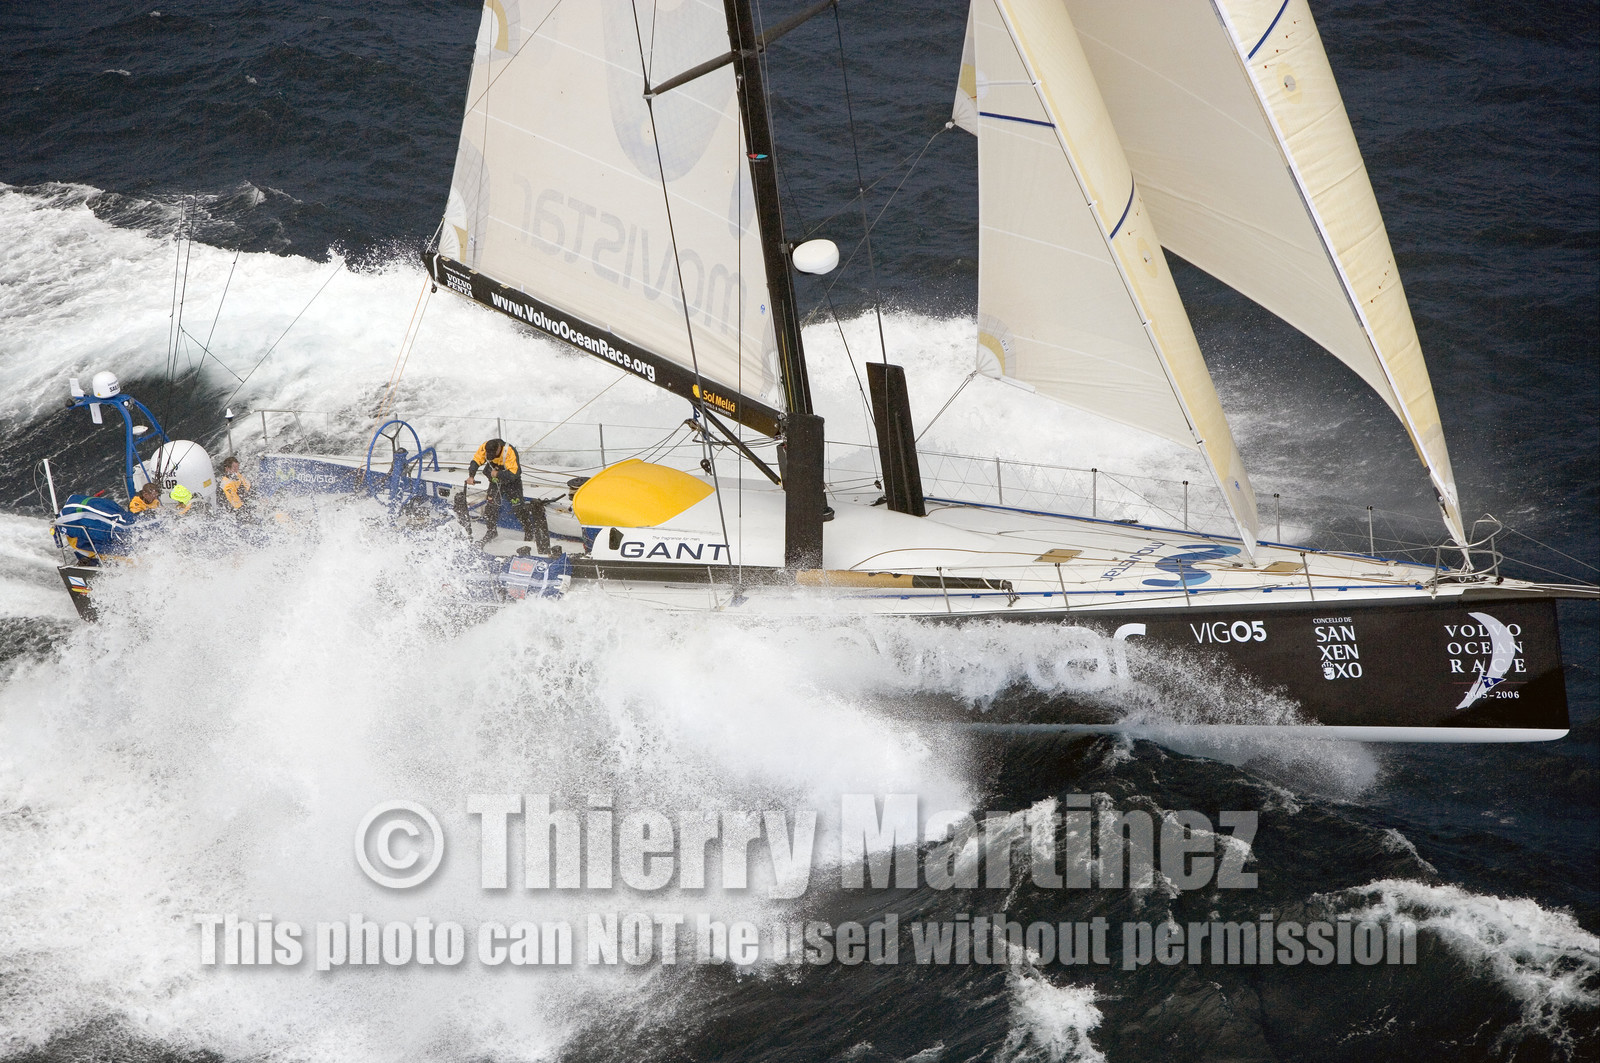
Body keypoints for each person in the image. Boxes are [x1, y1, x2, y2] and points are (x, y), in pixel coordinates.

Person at [465, 438, 549, 550]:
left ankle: (529, 531)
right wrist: (471, 476)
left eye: (493, 455)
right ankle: (491, 531)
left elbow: (515, 473)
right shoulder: (485, 447)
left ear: (499, 448)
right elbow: (475, 461)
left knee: (518, 507)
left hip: (512, 482)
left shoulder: (509, 451)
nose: (490, 456)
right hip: (495, 481)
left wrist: (498, 474)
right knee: (491, 506)